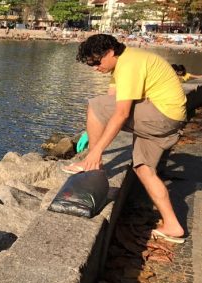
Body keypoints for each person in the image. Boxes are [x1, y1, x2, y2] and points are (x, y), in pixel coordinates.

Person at [66, 34, 187, 243]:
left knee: (94, 104)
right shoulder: (122, 63)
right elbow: (110, 100)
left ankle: (92, 163)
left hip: (162, 116)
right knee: (143, 169)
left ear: (110, 52)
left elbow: (120, 113)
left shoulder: (129, 64)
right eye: (90, 65)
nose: (95, 68)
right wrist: (93, 127)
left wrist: (96, 151)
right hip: (167, 118)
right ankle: (173, 225)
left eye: (96, 62)